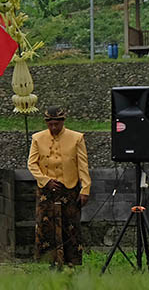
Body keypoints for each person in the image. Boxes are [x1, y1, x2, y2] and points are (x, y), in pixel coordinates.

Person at [27, 106, 91, 268]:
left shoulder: (76, 138)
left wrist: (85, 188)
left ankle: (71, 261)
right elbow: (32, 164)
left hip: (69, 187)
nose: (54, 128)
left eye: (57, 124)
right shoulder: (37, 138)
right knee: (45, 223)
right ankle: (50, 260)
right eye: (51, 124)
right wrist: (44, 180)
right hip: (46, 188)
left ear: (63, 122)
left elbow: (82, 165)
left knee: (70, 224)